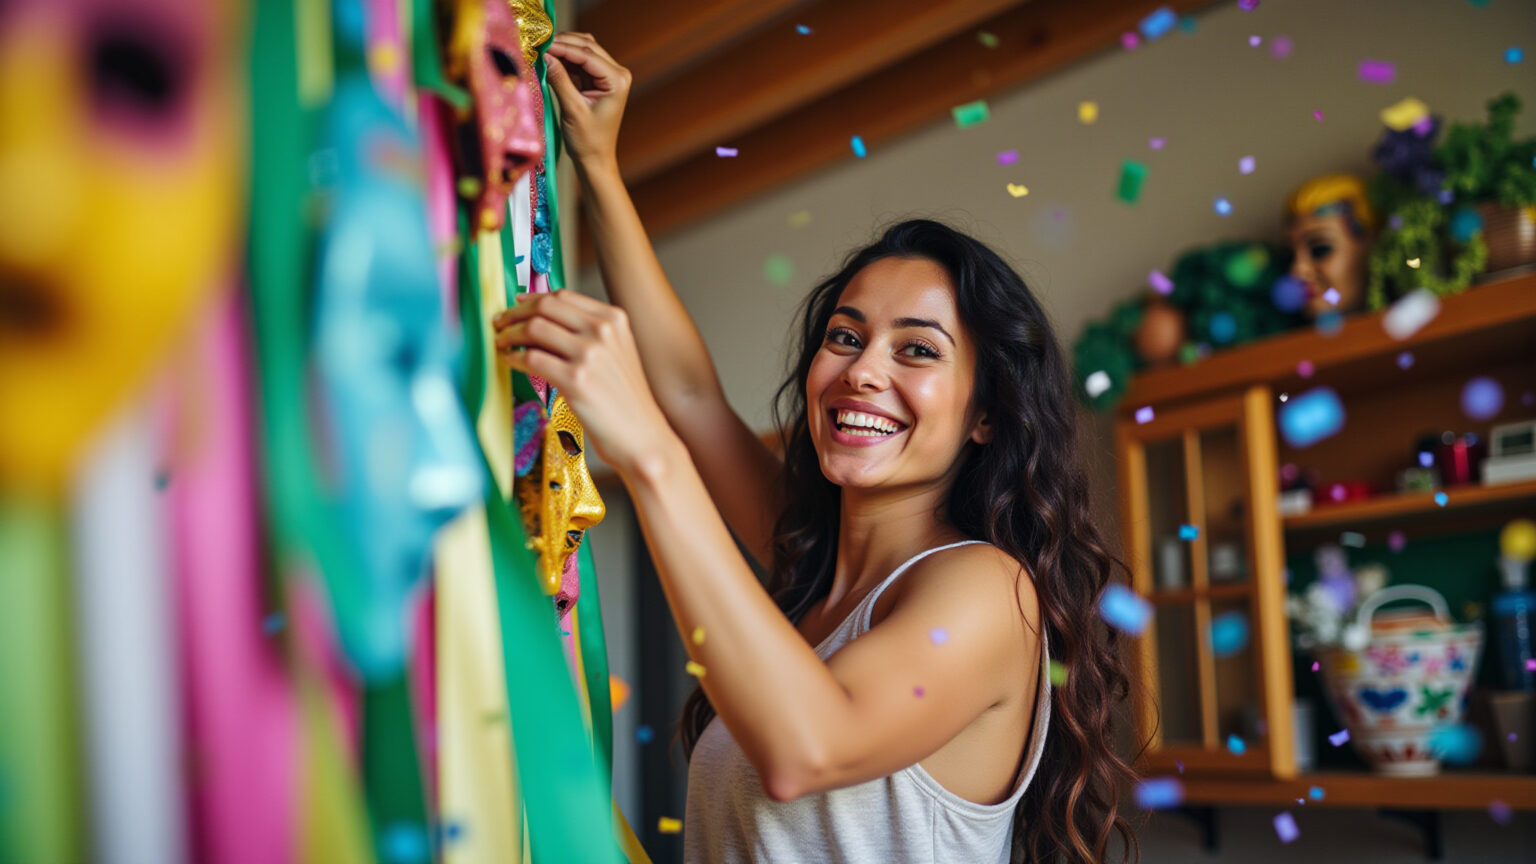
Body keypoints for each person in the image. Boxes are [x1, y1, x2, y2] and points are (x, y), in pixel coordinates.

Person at [492, 32, 1138, 864]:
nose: (862, 372)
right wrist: (599, 167)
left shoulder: (988, 590)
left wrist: (647, 452)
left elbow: (808, 749)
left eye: (917, 349)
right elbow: (691, 397)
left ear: (986, 414)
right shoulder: (811, 562)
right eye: (846, 335)